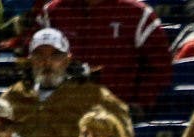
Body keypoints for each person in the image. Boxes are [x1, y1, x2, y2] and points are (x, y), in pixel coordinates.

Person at [2, 27, 132, 137]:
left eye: (55, 55)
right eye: (39, 55)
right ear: (30, 60)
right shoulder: (13, 97)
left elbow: (123, 136)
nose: (47, 62)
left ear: (67, 59)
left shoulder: (92, 94)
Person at [40, 0, 173, 116]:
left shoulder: (138, 15)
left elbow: (160, 68)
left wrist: (140, 104)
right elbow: (32, 60)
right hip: (59, 115)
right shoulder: (52, 13)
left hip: (115, 118)